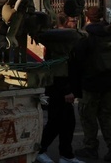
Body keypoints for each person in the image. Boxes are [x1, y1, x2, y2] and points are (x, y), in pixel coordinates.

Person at [74, 6, 111, 162]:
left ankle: (91, 148)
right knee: (107, 116)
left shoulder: (86, 37)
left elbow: (78, 62)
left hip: (90, 84)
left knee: (88, 117)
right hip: (109, 84)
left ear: (87, 18)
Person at [35, 13, 84, 163]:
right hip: (58, 89)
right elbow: (59, 69)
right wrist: (66, 90)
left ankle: (66, 155)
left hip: (63, 87)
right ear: (64, 21)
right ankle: (40, 150)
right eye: (72, 19)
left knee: (68, 123)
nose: (75, 21)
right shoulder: (58, 38)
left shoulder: (65, 37)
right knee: (56, 122)